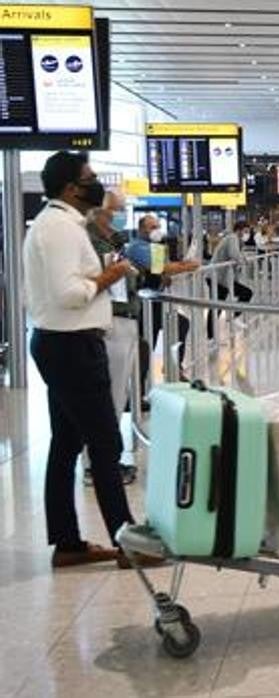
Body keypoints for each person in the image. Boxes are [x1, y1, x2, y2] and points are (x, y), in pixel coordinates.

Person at [23, 151, 159, 569]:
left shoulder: (58, 225)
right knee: (105, 443)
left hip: (61, 342)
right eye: (90, 178)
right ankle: (127, 540)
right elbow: (71, 293)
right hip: (73, 346)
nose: (96, 184)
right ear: (70, 188)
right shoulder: (61, 230)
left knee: (66, 444)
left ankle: (67, 543)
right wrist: (110, 276)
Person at [84, 192, 140, 485]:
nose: (118, 216)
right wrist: (118, 270)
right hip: (109, 324)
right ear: (98, 213)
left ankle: (105, 460)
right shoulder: (91, 244)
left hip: (123, 321)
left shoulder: (116, 243)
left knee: (118, 396)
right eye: (115, 211)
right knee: (108, 397)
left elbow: (135, 278)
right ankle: (98, 465)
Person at [132, 215, 197, 383]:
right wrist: (186, 266)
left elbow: (162, 272)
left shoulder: (154, 246)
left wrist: (165, 276)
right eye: (152, 227)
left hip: (153, 301)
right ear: (141, 229)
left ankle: (173, 366)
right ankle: (137, 390)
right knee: (146, 344)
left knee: (180, 323)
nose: (156, 230)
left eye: (157, 226)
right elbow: (161, 267)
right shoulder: (137, 247)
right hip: (141, 303)